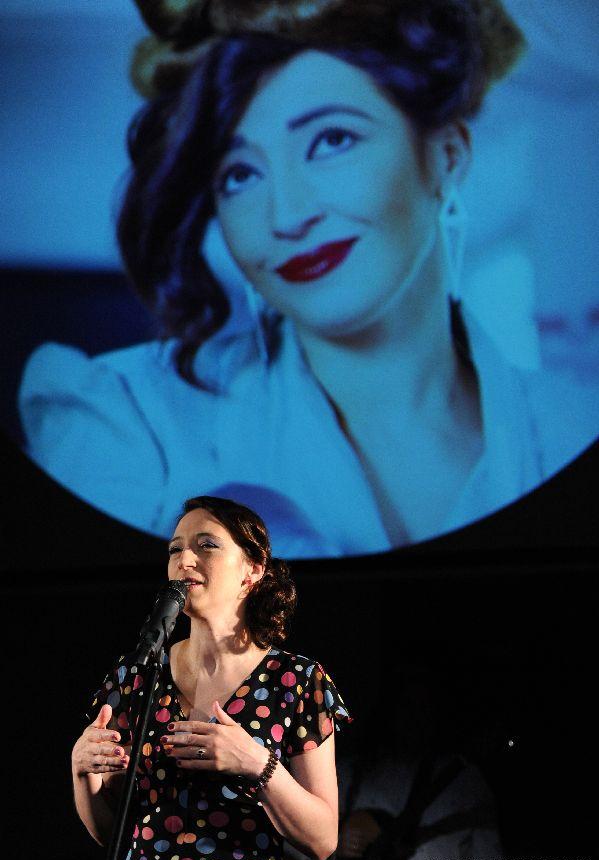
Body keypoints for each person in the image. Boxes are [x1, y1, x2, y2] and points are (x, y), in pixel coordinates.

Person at [19, 0, 599, 558]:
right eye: (239, 174)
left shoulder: (574, 430)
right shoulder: (129, 425)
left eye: (332, 140)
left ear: (447, 155)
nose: (286, 216)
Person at [71, 495, 352, 860]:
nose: (184, 560)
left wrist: (256, 764)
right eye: (175, 549)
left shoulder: (296, 681)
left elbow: (322, 840)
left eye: (206, 545)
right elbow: (113, 835)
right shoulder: (136, 675)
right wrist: (83, 773)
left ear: (252, 570)